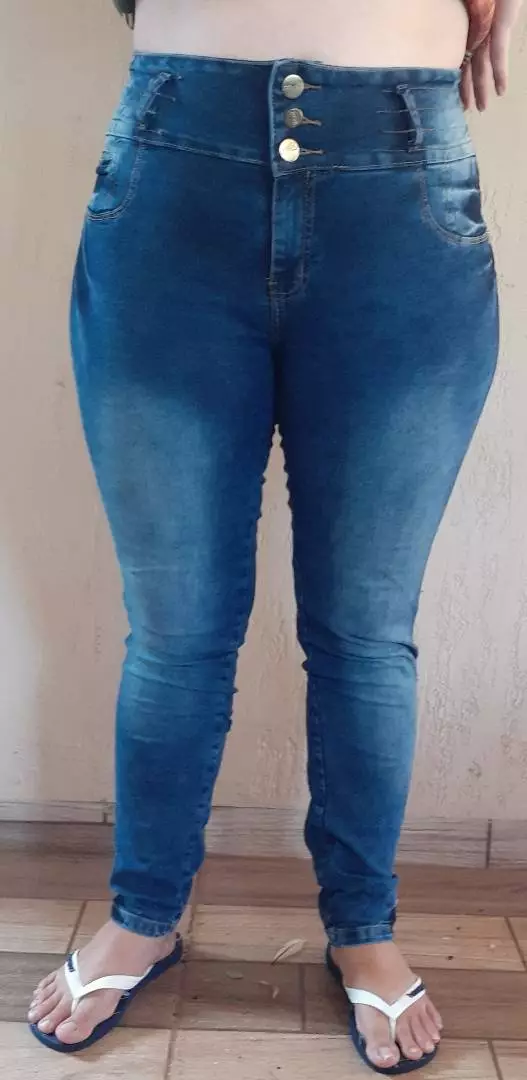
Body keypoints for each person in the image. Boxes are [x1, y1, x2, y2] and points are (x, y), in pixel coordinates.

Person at [27, 0, 522, 1072]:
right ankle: (144, 913)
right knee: (175, 632)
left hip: (401, 190)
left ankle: (363, 926)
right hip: (174, 176)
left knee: (364, 632)